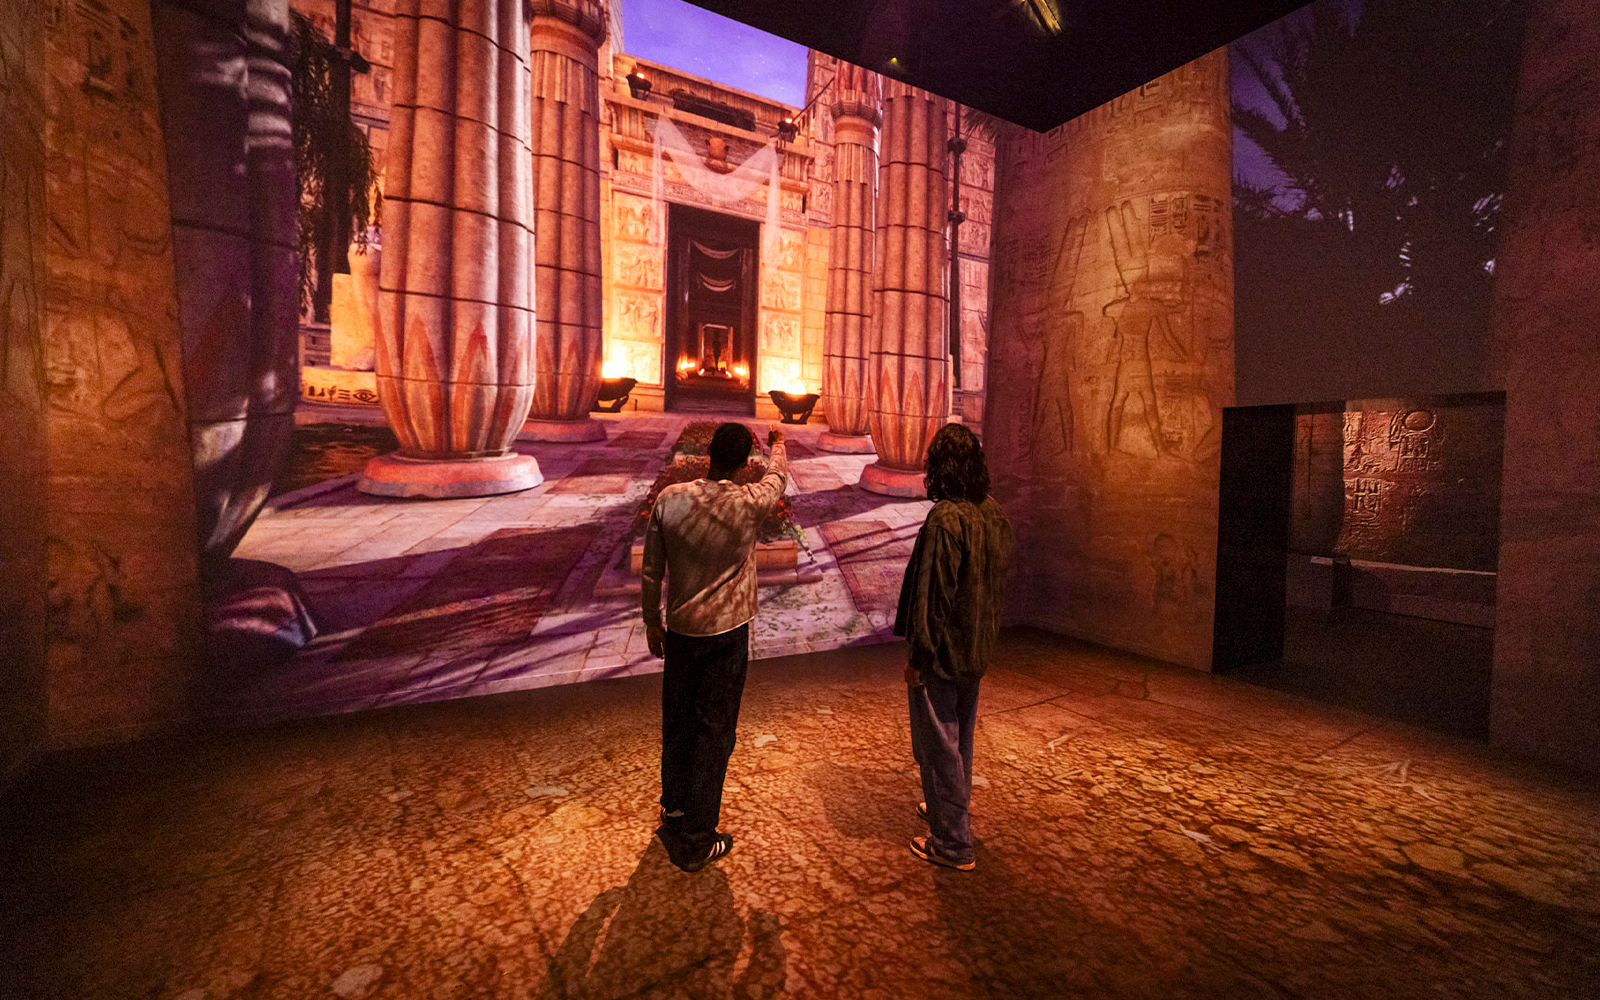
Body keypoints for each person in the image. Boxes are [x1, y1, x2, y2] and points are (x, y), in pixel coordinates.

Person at [641, 422, 788, 872]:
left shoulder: (671, 500)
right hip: (727, 636)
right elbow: (777, 478)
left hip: (683, 632)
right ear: (746, 463)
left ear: (708, 454)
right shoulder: (746, 503)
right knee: (714, 733)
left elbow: (651, 572)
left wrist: (653, 621)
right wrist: (779, 445)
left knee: (678, 722)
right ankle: (698, 839)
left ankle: (675, 810)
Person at [894, 422, 1013, 871]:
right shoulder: (994, 513)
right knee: (959, 741)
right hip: (977, 648)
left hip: (944, 653)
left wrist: (918, 659)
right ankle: (948, 810)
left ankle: (952, 844)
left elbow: (935, 596)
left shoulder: (947, 518)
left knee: (938, 745)